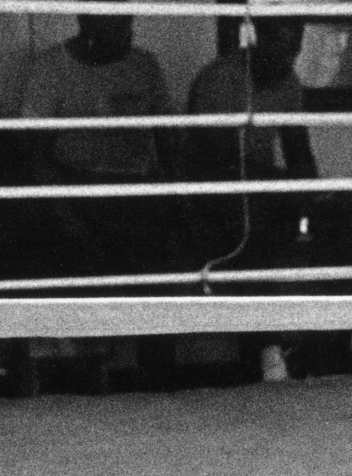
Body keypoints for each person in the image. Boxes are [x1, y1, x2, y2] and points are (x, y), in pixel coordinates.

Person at [21, 15, 176, 380]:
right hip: (77, 194)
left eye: (129, 23)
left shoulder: (144, 66)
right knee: (76, 268)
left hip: (137, 194)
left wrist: (174, 197)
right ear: (88, 24)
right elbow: (34, 156)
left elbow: (168, 140)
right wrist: (66, 215)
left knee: (164, 275)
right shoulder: (51, 69)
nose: (128, 33)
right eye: (116, 25)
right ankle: (85, 379)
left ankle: (159, 381)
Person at [185, 20, 317, 382]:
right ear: (259, 41)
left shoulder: (289, 83)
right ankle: (267, 347)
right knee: (255, 218)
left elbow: (298, 150)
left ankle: (342, 338)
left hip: (261, 182)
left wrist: (312, 197)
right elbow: (216, 156)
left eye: (295, 50)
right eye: (282, 49)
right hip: (216, 189)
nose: (289, 59)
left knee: (343, 210)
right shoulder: (220, 80)